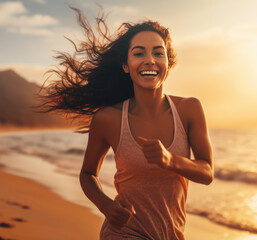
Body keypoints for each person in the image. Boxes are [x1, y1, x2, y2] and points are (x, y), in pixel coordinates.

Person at [39, 7, 213, 240]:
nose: (149, 60)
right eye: (139, 53)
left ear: (168, 64)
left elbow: (207, 172)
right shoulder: (107, 119)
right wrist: (106, 206)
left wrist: (170, 160)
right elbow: (88, 173)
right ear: (126, 65)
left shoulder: (189, 109)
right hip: (124, 233)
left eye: (158, 53)